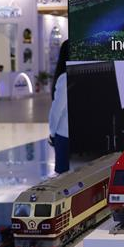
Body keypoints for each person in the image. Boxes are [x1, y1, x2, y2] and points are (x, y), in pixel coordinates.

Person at [49, 41, 70, 174]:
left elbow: (56, 111)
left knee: (64, 179)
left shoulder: (64, 78)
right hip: (84, 135)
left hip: (64, 136)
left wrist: (52, 133)